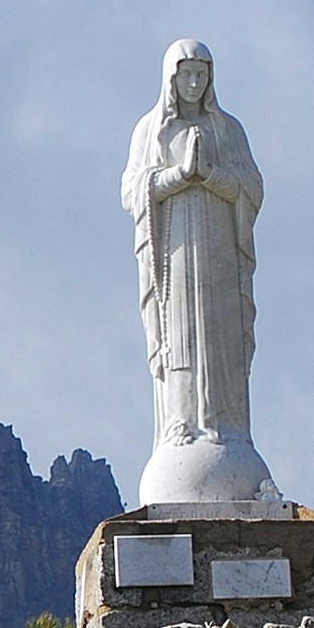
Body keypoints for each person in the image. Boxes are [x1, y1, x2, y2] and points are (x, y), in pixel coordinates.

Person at [121, 37, 281, 507]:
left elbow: (252, 186)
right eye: (186, 75)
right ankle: (182, 424)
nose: (194, 83)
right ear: (170, 78)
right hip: (174, 256)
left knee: (220, 335)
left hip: (219, 256)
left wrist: (210, 175)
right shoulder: (150, 131)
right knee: (180, 337)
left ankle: (226, 428)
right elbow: (133, 190)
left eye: (201, 75)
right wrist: (177, 176)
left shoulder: (228, 130)